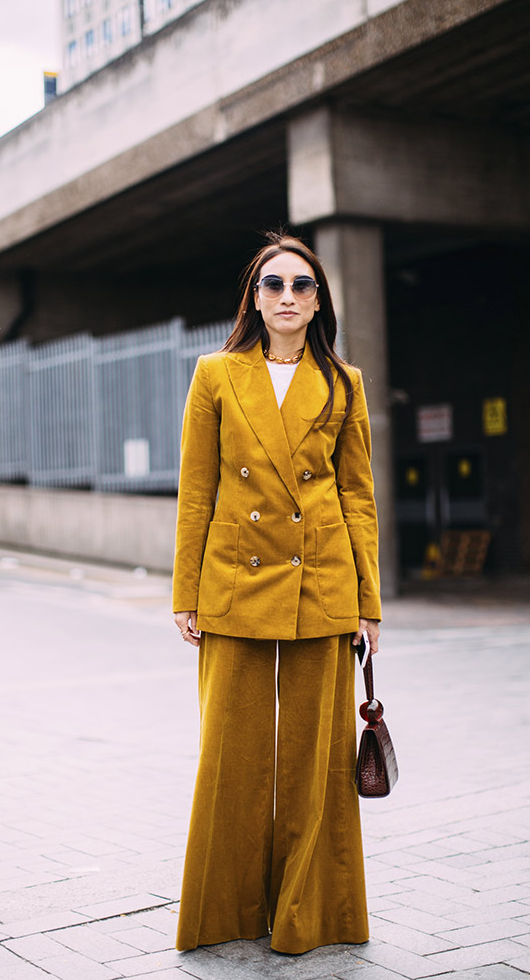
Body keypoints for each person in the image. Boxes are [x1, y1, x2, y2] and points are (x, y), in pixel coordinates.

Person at [172, 232, 382, 955]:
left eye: (300, 285)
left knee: (314, 761)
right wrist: (184, 593)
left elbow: (358, 496)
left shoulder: (343, 381)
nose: (286, 296)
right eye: (272, 285)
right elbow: (195, 490)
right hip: (233, 581)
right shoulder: (216, 374)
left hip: (321, 584)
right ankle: (221, 914)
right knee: (228, 754)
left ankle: (308, 914)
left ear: (318, 300)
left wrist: (368, 602)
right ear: (254, 298)